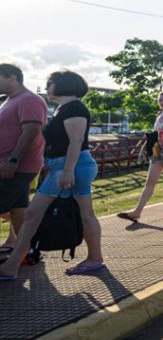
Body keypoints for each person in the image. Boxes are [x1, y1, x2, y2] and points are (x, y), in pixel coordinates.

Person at [0, 71, 104, 278]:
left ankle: (12, 266)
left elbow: (76, 142)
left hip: (71, 166)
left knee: (33, 215)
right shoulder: (63, 108)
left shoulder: (74, 108)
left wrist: (67, 172)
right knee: (79, 214)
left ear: (63, 85)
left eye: (50, 83)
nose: (47, 87)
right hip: (65, 166)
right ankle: (95, 258)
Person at [118, 91, 163, 223]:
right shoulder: (159, 116)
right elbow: (154, 135)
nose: (162, 102)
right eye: (160, 100)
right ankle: (137, 212)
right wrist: (143, 150)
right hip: (158, 151)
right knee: (150, 181)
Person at [0, 64, 47, 256]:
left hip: (16, 166)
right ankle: (27, 251)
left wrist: (13, 160)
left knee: (13, 207)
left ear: (12, 77)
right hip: (10, 164)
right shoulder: (10, 100)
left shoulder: (29, 100)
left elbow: (31, 132)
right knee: (17, 209)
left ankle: (26, 250)